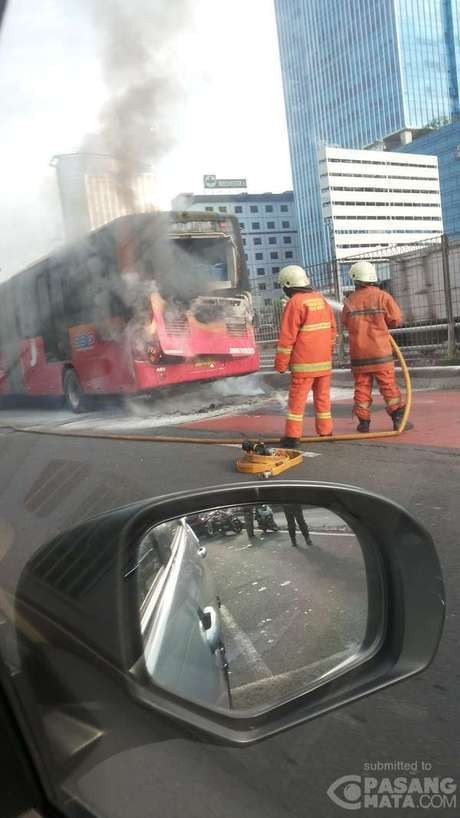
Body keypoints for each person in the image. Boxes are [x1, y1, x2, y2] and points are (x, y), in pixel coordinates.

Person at [275, 265, 337, 448]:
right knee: (323, 398)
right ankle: (326, 432)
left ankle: (292, 437)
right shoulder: (321, 300)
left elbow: (287, 337)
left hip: (304, 364)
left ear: (288, 285)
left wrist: (281, 365)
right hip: (324, 363)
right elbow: (332, 330)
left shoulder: (294, 303)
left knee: (297, 401)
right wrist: (327, 351)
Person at [342, 260, 407, 432]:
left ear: (355, 279)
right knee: (388, 386)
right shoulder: (382, 297)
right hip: (380, 353)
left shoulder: (349, 301)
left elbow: (345, 322)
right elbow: (395, 319)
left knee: (362, 388)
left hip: (359, 355)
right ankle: (398, 418)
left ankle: (363, 422)